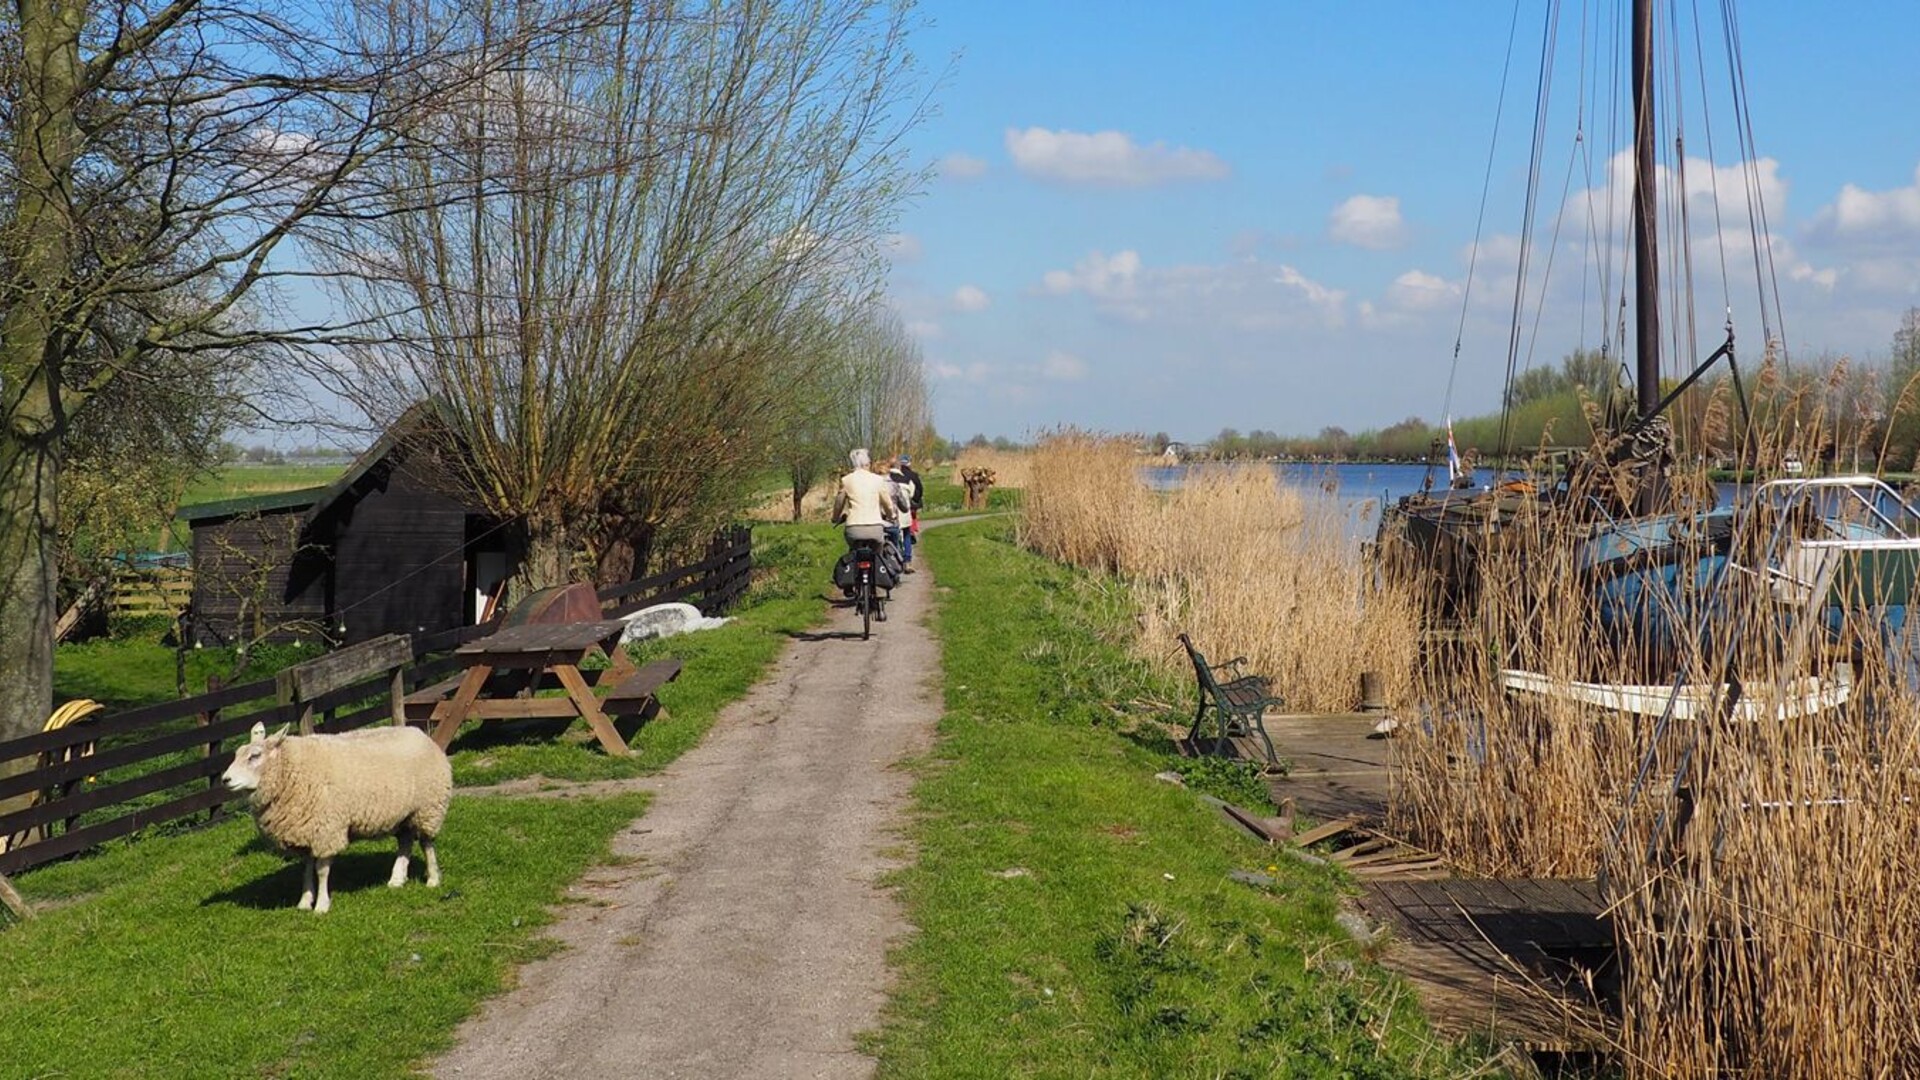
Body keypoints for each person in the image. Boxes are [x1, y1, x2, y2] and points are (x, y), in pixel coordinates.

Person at [832, 448, 898, 617]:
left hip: (854, 528)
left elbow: (839, 502)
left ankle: (852, 583)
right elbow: (887, 503)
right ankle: (880, 599)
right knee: (878, 556)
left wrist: (835, 517)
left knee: (854, 552)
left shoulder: (846, 480)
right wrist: (891, 515)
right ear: (867, 463)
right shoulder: (877, 480)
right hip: (875, 527)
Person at [887, 456, 918, 572]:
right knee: (906, 535)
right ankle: (907, 561)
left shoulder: (885, 480)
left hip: (890, 514)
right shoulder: (906, 479)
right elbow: (912, 493)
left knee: (891, 536)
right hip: (904, 512)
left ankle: (893, 560)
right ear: (898, 466)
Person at [896, 453, 924, 565]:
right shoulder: (913, 475)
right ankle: (907, 558)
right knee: (908, 523)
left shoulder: (892, 476)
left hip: (896, 507)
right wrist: (916, 500)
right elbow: (919, 489)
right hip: (909, 503)